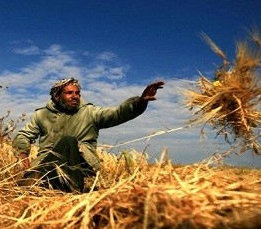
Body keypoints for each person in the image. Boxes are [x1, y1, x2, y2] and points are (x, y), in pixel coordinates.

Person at [12, 78, 164, 193]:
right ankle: (36, 183)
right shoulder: (41, 115)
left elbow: (117, 113)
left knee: (68, 142)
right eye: (69, 93)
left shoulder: (90, 113)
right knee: (32, 179)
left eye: (77, 93)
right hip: (47, 164)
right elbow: (24, 135)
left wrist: (139, 103)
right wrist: (22, 152)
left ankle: (73, 191)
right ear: (57, 97)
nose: (75, 96)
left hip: (79, 164)